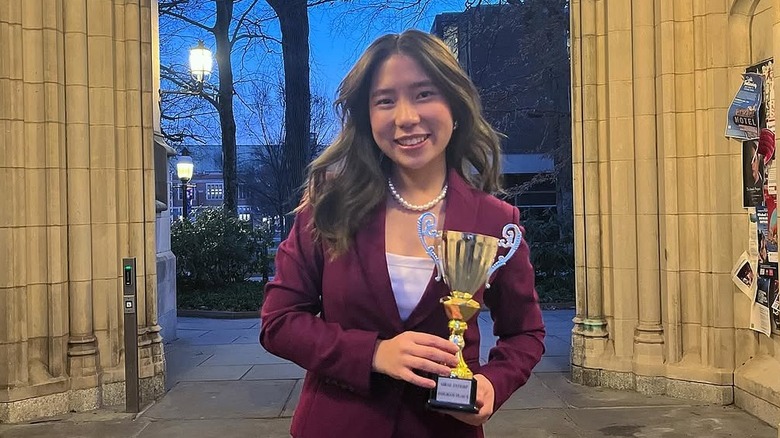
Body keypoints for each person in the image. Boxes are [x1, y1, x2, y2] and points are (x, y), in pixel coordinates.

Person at [259, 29, 545, 438]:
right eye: (385, 101)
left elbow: (526, 332)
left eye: (424, 93)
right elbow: (279, 322)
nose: (406, 117)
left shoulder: (497, 221)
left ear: (455, 104)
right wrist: (374, 353)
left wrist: (493, 385)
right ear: (367, 115)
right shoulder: (328, 207)